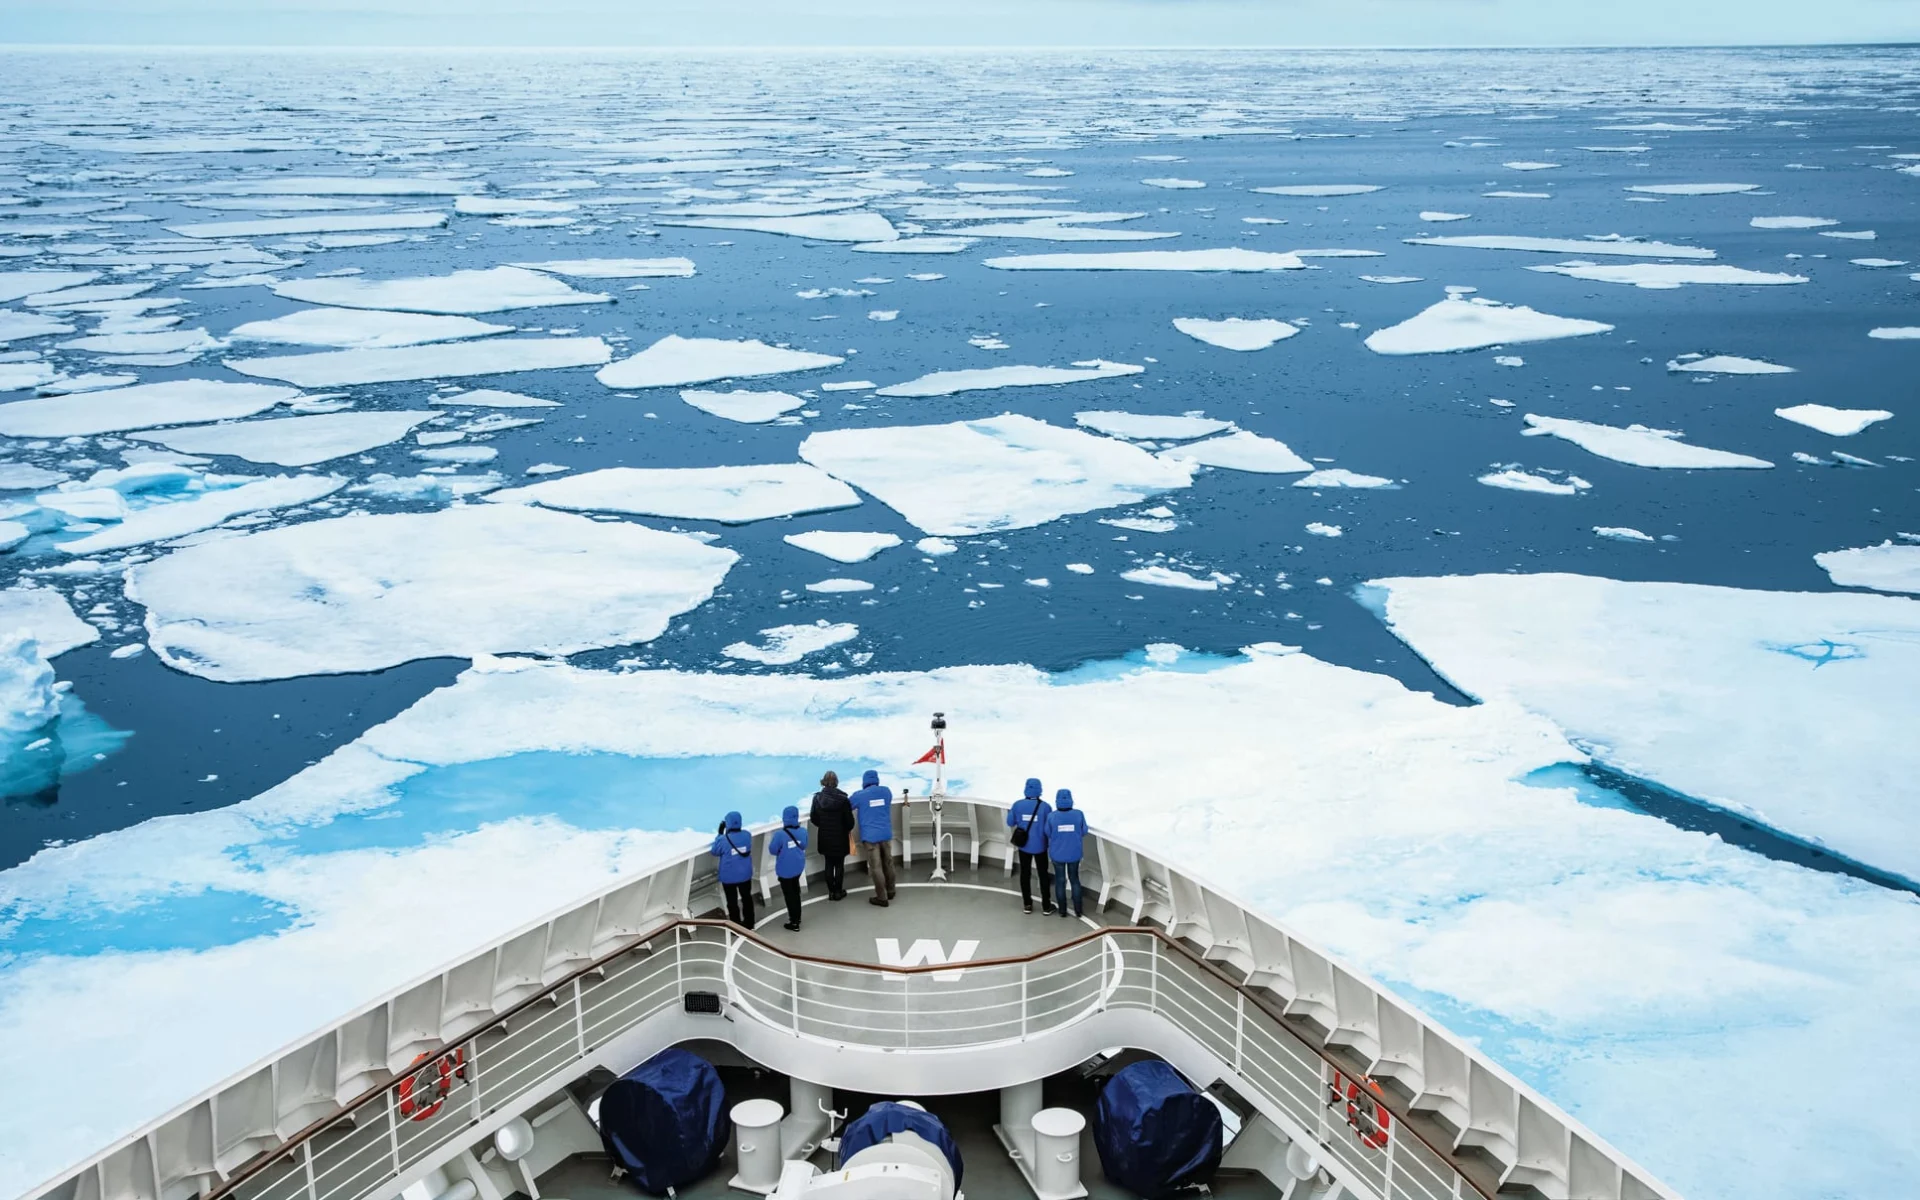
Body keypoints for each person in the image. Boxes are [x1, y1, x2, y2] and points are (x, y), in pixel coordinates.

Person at [849, 768, 897, 907]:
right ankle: (891, 890)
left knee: (876, 867)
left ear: (864, 782)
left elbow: (848, 804)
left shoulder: (860, 795)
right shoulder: (886, 791)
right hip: (886, 834)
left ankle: (882, 898)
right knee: (888, 862)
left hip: (870, 838)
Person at [1007, 778, 1053, 915]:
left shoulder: (1017, 805)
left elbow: (1010, 822)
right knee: (1043, 875)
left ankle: (1027, 904)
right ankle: (1046, 906)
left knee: (1025, 874)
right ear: (1040, 790)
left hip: (1024, 846)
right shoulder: (1045, 807)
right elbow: (1049, 828)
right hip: (1041, 846)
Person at [809, 770, 855, 901]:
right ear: (836, 782)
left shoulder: (817, 798)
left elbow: (814, 818)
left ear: (823, 781)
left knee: (828, 864)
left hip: (824, 837)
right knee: (839, 864)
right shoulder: (843, 799)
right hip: (840, 837)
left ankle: (831, 892)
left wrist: (823, 826)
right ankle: (838, 891)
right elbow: (850, 822)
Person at [710, 811, 756, 928]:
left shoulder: (723, 840)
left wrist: (720, 833)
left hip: (729, 877)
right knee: (747, 898)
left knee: (732, 901)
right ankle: (750, 923)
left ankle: (736, 926)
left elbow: (715, 851)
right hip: (745, 874)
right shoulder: (747, 835)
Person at [1044, 789, 1085, 919]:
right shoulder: (1078, 814)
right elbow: (1084, 831)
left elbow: (1047, 832)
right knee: (1075, 880)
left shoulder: (1052, 816)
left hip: (1057, 854)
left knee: (1060, 881)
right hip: (1074, 854)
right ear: (1071, 800)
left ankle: (1062, 910)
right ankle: (1078, 910)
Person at [769, 804, 810, 931]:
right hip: (798, 866)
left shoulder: (780, 835)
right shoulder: (803, 831)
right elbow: (803, 846)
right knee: (796, 892)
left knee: (789, 895)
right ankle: (797, 917)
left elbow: (773, 850)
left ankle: (794, 922)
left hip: (785, 870)